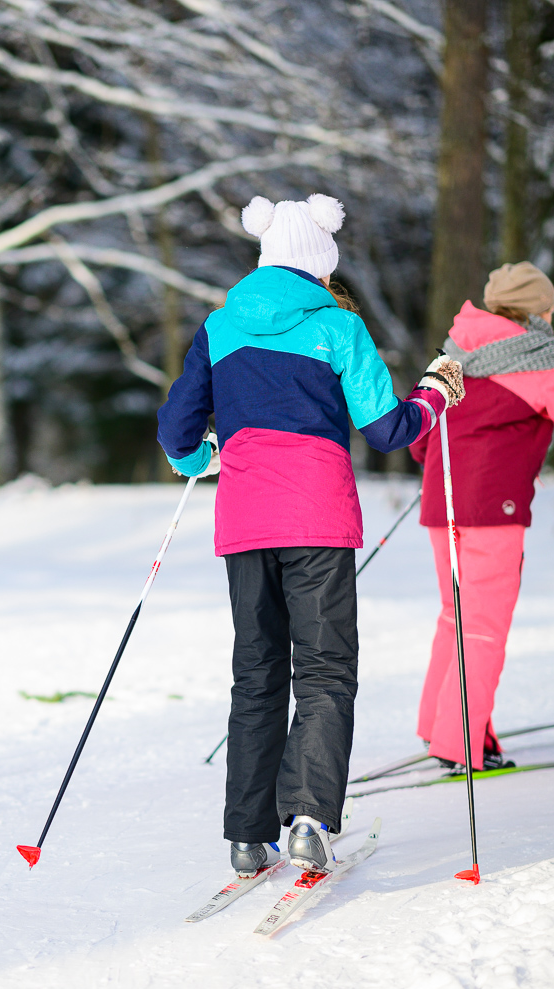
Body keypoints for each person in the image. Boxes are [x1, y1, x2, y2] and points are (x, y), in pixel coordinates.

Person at [157, 194, 464, 875]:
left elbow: (176, 431)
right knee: (324, 669)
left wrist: (204, 457)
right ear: (321, 265)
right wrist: (437, 393)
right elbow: (387, 429)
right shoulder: (338, 327)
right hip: (318, 519)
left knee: (257, 672)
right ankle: (309, 819)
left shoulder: (218, 327)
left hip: (244, 522)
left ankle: (246, 834)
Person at [410, 262, 554, 770]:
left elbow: (419, 434)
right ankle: (457, 743)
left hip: (441, 505)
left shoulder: (453, 351)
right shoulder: (536, 359)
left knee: (456, 618)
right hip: (494, 509)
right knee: (483, 627)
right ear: (539, 309)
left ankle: (440, 726)